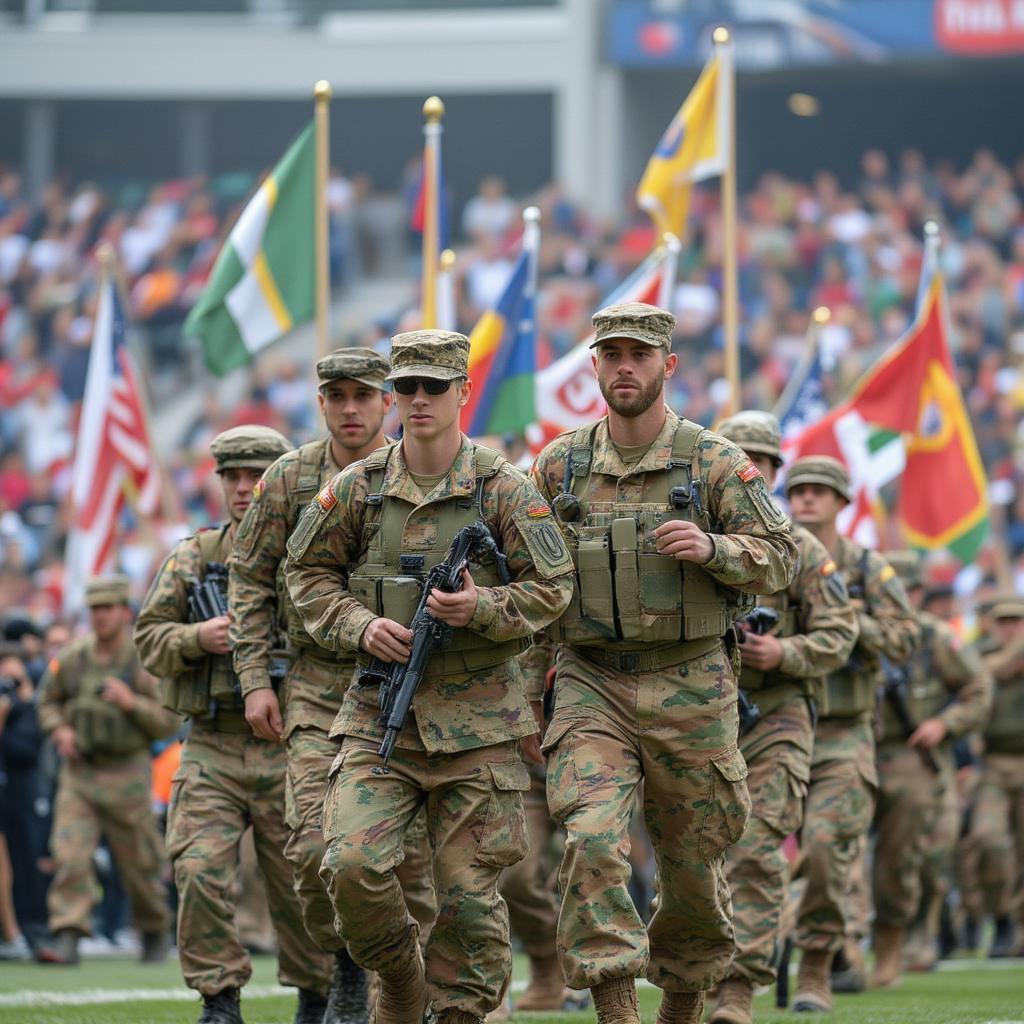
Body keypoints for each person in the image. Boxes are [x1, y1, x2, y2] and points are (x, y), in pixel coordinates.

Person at [285, 329, 574, 1024]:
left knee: (469, 903)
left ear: (461, 393)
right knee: (348, 866)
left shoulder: (503, 488)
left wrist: (483, 606)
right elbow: (306, 571)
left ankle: (455, 1013)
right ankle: (400, 978)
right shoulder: (356, 489)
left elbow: (554, 585)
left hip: (479, 731)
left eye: (433, 387)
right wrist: (358, 625)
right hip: (379, 716)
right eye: (407, 388)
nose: (418, 400)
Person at [530, 303, 798, 1024]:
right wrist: (527, 698)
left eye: (639, 355)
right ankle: (616, 1010)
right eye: (610, 353)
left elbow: (782, 557)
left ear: (667, 365)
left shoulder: (712, 460)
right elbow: (529, 584)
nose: (624, 366)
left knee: (691, 862)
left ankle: (683, 1002)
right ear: (593, 363)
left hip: (691, 679)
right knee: (591, 840)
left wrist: (716, 549)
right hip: (591, 680)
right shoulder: (559, 465)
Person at [230, 348, 435, 1024]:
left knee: (405, 858)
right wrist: (256, 680)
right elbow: (251, 579)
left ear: (388, 403)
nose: (350, 409)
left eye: (363, 396)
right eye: (336, 396)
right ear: (321, 403)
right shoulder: (288, 481)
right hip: (320, 687)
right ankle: (348, 964)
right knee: (316, 845)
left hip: (409, 685)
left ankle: (409, 983)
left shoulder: (425, 468)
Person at [134, 426, 332, 1024]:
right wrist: (199, 637)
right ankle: (219, 999)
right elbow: (149, 639)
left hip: (291, 743)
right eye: (233, 477)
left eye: (257, 476)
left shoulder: (313, 554)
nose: (245, 489)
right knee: (197, 868)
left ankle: (317, 994)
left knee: (305, 881)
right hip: (214, 742)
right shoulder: (194, 559)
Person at [708, 412, 859, 1024]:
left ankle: (740, 986)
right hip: (698, 712)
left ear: (772, 472)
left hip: (778, 713)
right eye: (736, 455)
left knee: (758, 844)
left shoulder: (799, 549)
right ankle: (692, 980)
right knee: (693, 855)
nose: (748, 469)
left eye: (761, 461)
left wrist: (783, 652)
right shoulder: (687, 537)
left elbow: (839, 630)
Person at [784, 456, 918, 1013]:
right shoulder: (774, 557)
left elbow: (907, 638)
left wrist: (846, 622)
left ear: (842, 502)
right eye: (799, 491)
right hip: (778, 723)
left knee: (826, 844)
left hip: (843, 730)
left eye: (820, 491)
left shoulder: (866, 567)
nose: (808, 500)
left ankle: (818, 961)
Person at [36, 574, 179, 966]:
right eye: (94, 608)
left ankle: (153, 930)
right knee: (70, 854)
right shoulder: (74, 658)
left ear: (124, 612)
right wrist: (60, 729)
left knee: (139, 863)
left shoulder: (141, 659)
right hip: (80, 773)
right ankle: (67, 934)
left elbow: (169, 719)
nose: (99, 616)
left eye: (107, 608)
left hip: (127, 772)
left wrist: (131, 703)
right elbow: (46, 701)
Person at [869, 550, 991, 988]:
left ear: (917, 592)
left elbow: (978, 689)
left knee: (911, 860)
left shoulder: (936, 637)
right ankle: (839, 950)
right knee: (832, 853)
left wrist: (945, 724)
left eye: (902, 589)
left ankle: (901, 937)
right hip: (852, 751)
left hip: (913, 759)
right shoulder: (853, 631)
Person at [969, 594, 1024, 958]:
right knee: (988, 839)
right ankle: (1001, 917)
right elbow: (983, 674)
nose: (1010, 628)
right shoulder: (979, 655)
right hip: (994, 764)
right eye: (1003, 621)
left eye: (1016, 621)